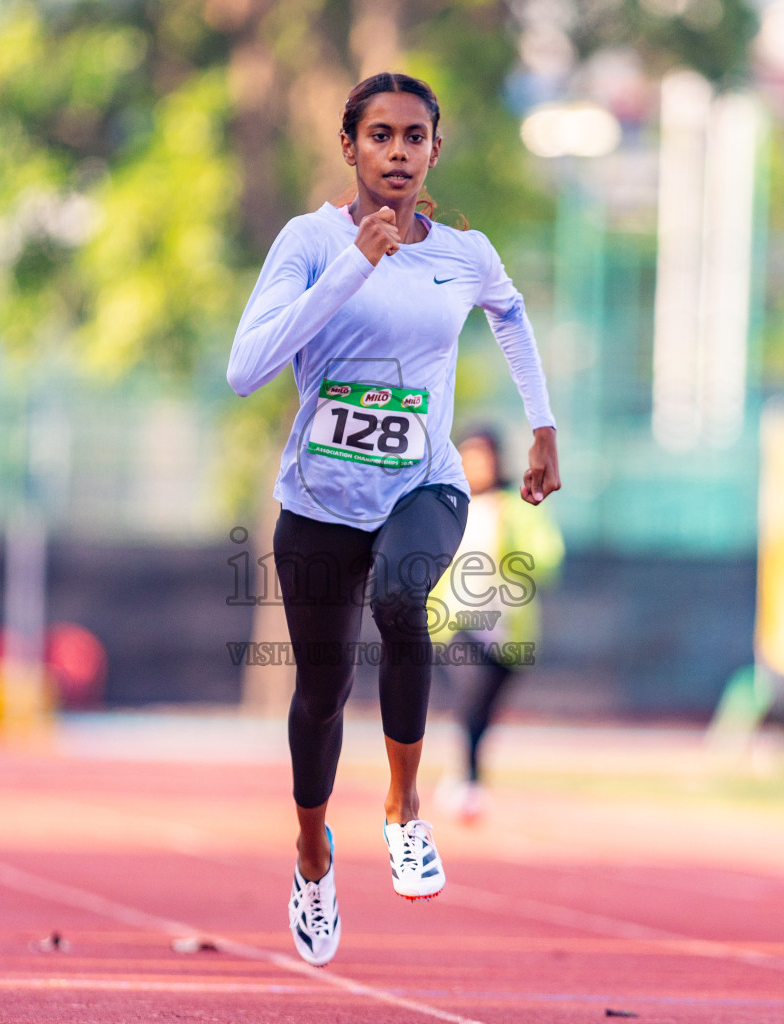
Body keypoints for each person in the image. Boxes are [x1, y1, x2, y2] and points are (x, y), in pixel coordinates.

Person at [227, 71, 560, 968]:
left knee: (404, 602)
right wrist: (353, 265)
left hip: (424, 483)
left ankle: (405, 810)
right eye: (382, 136)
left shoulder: (464, 252)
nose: (399, 153)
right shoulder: (308, 243)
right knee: (322, 692)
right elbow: (246, 369)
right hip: (319, 501)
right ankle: (311, 855)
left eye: (416, 137)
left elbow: (512, 312)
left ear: (434, 151)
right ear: (351, 148)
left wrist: (543, 424)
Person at [429, 427, 564, 823]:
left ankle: (462, 769)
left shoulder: (517, 508)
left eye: (483, 457)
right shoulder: (444, 505)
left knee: (483, 708)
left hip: (507, 632)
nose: (476, 466)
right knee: (470, 692)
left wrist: (514, 540)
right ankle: (469, 781)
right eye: (468, 457)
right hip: (454, 624)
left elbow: (548, 561)